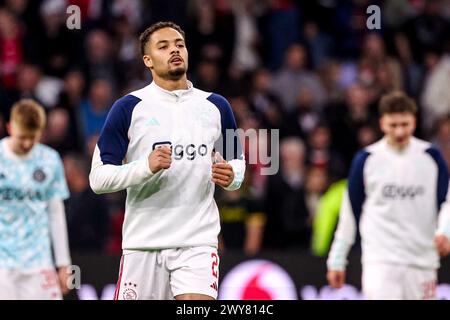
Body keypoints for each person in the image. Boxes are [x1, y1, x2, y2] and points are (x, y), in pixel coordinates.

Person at [89, 21, 245, 300]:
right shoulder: (128, 107)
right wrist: (145, 167)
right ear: (147, 60)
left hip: (198, 242)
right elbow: (98, 179)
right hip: (144, 245)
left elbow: (238, 163)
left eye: (179, 44)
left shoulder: (217, 106)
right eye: (163, 46)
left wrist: (232, 176)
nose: (174, 50)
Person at [326, 91, 450, 300]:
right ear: (382, 123)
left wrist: (445, 232)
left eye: (405, 124)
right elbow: (350, 213)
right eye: (393, 125)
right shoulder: (367, 159)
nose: (400, 131)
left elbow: (446, 201)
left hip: (422, 261)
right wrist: (337, 260)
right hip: (381, 262)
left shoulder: (431, 157)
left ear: (414, 121)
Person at [0, 99, 72, 299]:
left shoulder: (50, 160)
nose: (27, 144)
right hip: (3, 264)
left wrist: (63, 263)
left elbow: (56, 214)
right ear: (9, 127)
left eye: (33, 137)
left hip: (39, 262)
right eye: (22, 136)